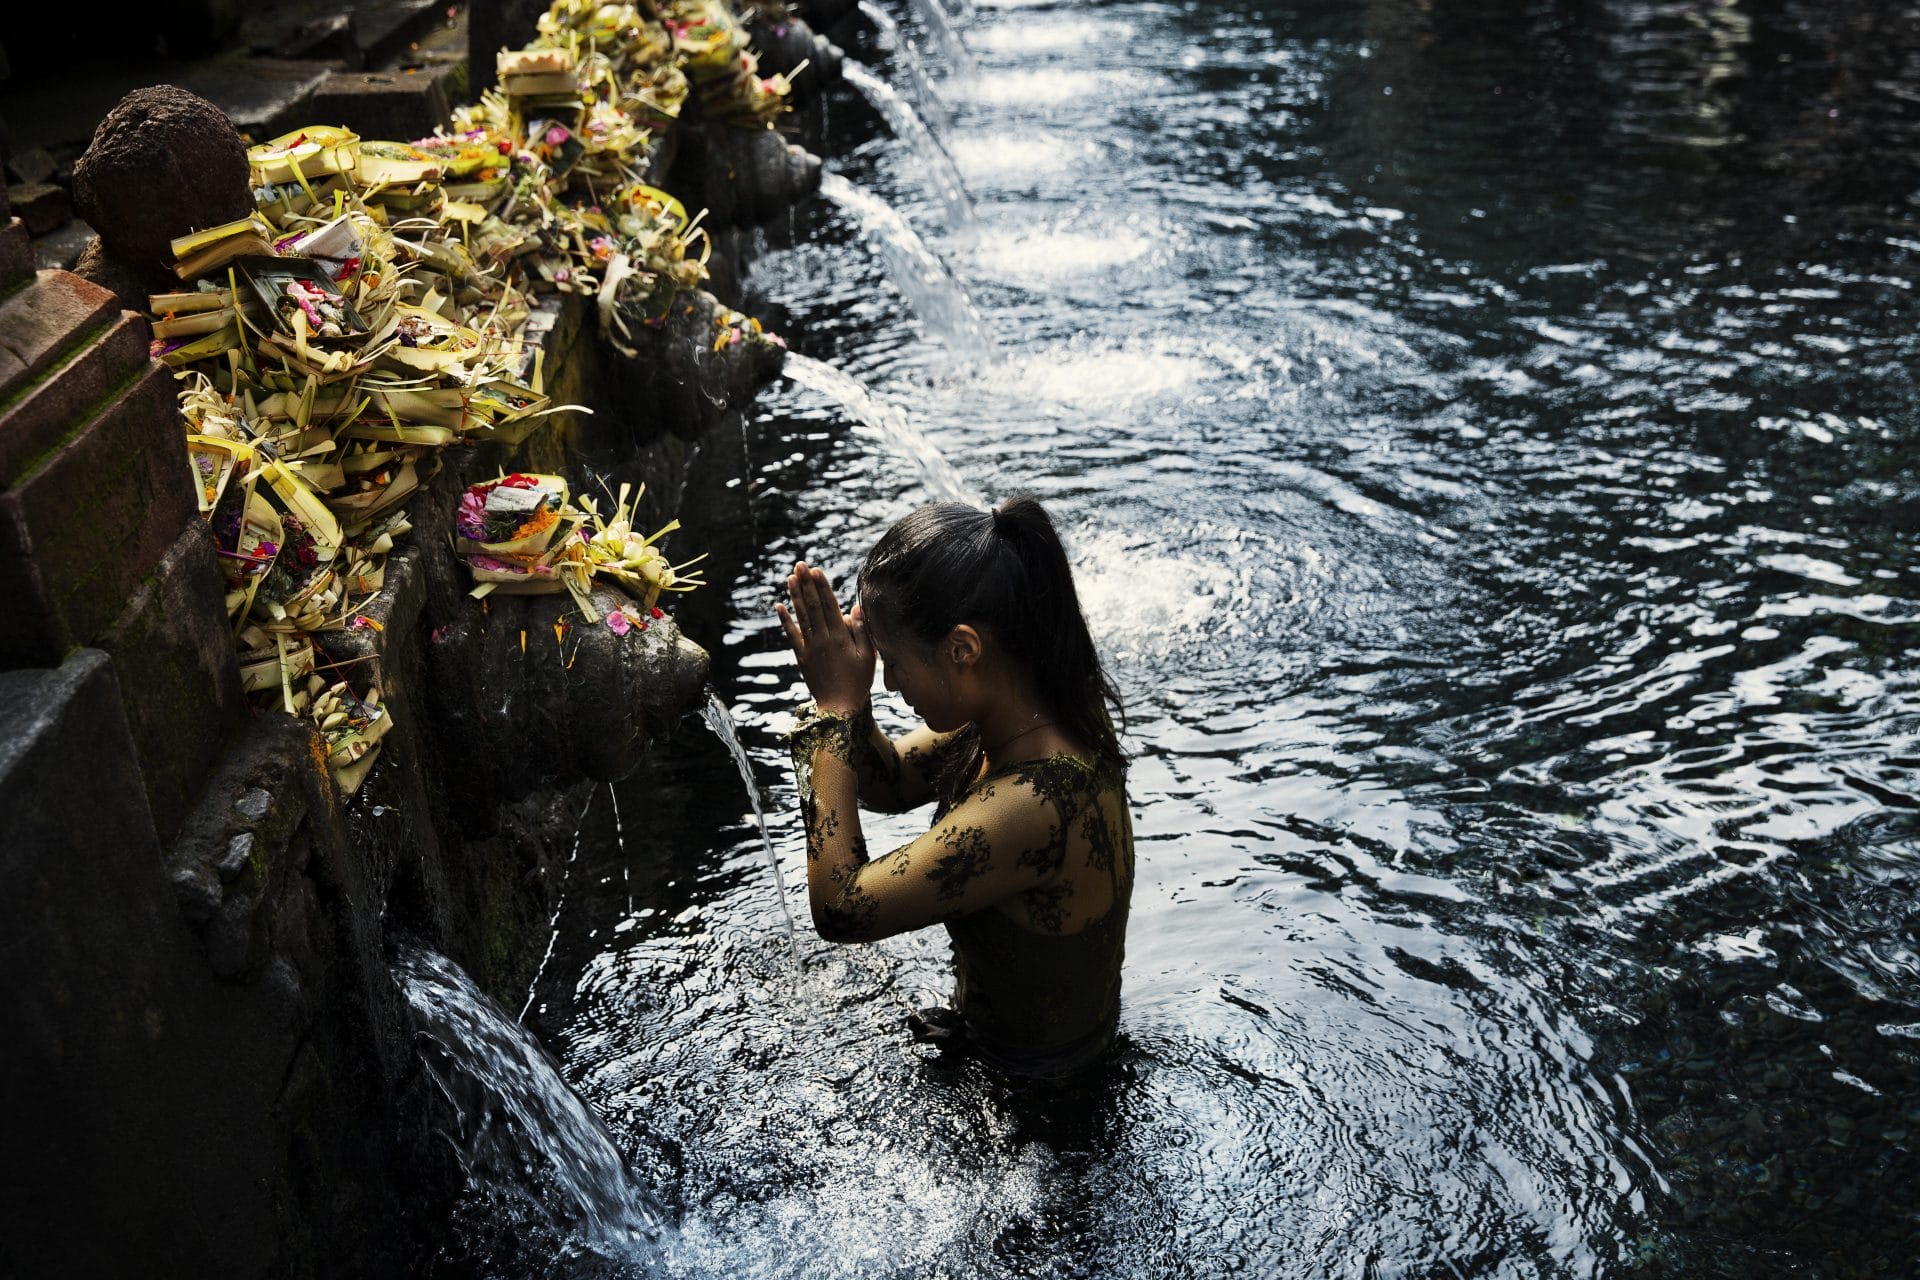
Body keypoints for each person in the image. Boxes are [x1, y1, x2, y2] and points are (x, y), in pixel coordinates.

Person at [776, 495, 1134, 1079]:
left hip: (1040, 1103)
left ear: (963, 649)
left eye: (892, 662)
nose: (887, 683)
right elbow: (888, 782)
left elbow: (843, 909)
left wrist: (835, 712)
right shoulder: (1027, 715)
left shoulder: (1037, 804)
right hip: (1003, 1053)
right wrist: (848, 689)